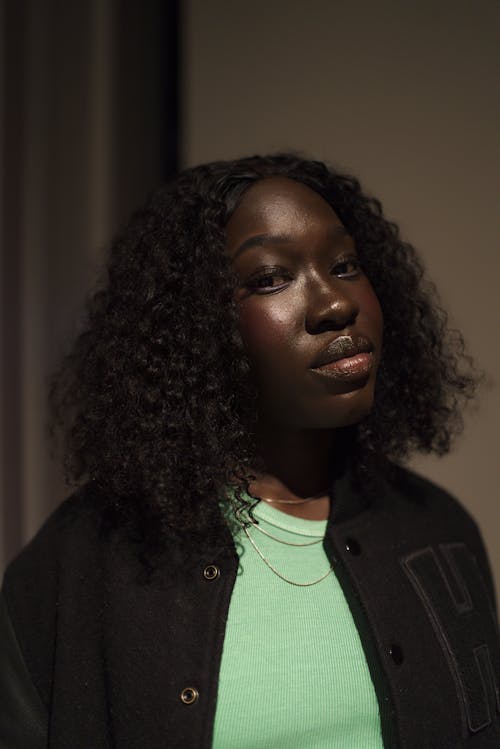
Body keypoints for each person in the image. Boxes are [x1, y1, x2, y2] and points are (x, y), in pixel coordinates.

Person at [1, 154, 498, 748]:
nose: (335, 304)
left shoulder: (436, 529)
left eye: (344, 265)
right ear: (196, 328)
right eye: (270, 278)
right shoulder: (82, 562)